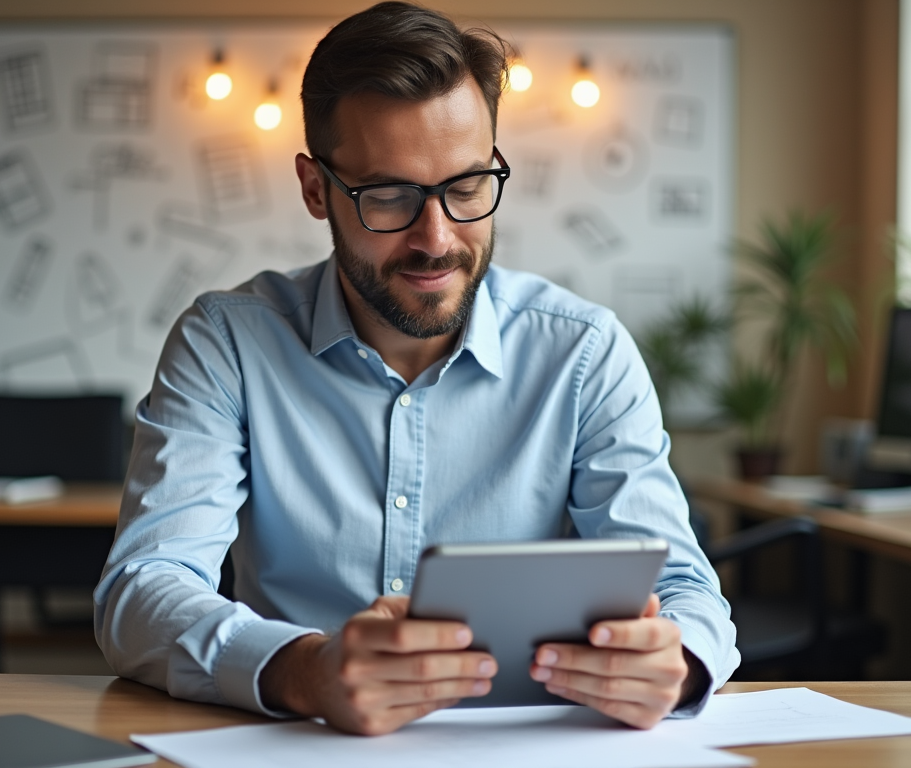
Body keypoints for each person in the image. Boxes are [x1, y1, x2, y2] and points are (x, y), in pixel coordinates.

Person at [94, 1, 739, 737]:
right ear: (315, 190)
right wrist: (307, 669)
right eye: (389, 197)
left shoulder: (584, 353)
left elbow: (686, 591)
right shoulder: (228, 344)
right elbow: (142, 592)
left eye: (466, 187)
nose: (436, 240)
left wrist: (674, 662)